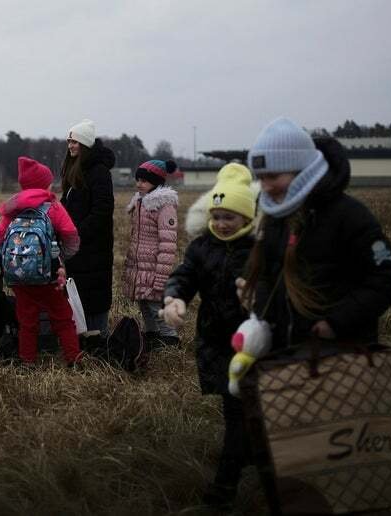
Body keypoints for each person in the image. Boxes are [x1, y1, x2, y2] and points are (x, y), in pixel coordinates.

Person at [233, 117, 391, 507]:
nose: (266, 186)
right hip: (282, 357)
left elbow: (384, 276)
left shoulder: (349, 217)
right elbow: (269, 276)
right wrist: (259, 316)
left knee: (335, 462)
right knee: (286, 458)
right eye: (260, 178)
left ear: (301, 168)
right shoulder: (274, 216)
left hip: (338, 358)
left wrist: (336, 322)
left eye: (273, 175)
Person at [159, 163, 258, 507]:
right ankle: (249, 456)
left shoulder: (259, 249)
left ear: (247, 218)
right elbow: (185, 277)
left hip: (255, 345)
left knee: (241, 411)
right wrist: (174, 298)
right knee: (239, 411)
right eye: (216, 216)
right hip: (217, 341)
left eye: (229, 216)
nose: (220, 223)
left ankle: (225, 488)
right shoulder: (202, 247)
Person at [0, 157, 81, 366]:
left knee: (26, 321)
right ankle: (73, 358)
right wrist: (62, 257)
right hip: (48, 275)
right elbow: (70, 234)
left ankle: (28, 361)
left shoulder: (13, 207)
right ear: (44, 183)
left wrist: (7, 262)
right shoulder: (53, 206)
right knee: (62, 317)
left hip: (18, 276)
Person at [59, 119, 116, 335]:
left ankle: (98, 341)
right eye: (69, 141)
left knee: (94, 297)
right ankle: (82, 339)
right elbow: (67, 203)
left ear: (84, 144)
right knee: (79, 295)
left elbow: (101, 211)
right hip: (77, 249)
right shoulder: (75, 170)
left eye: (74, 142)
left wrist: (76, 234)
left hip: (94, 249)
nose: (70, 146)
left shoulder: (99, 172)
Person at [121, 159, 180, 348]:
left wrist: (161, 275)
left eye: (144, 181)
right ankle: (153, 333)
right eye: (138, 180)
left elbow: (168, 243)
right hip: (140, 265)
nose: (139, 184)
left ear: (156, 182)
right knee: (143, 301)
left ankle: (170, 338)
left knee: (156, 304)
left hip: (154, 265)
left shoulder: (164, 207)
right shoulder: (140, 203)